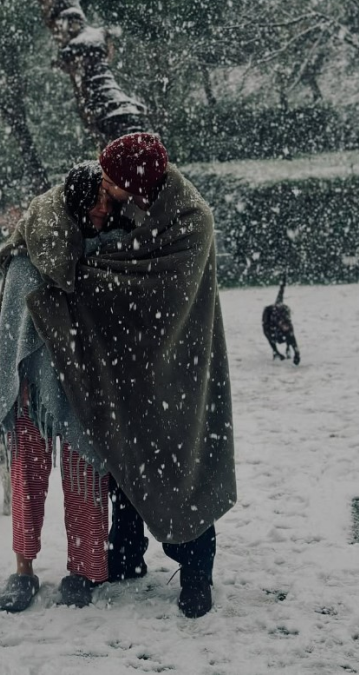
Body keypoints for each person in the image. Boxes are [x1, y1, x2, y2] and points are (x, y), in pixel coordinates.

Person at [16, 132, 236, 618]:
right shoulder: (128, 199)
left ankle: (196, 571)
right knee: (124, 452)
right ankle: (127, 552)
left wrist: (79, 275)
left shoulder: (191, 221)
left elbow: (155, 288)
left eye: (113, 182)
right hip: (127, 361)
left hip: (178, 361)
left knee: (182, 459)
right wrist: (51, 249)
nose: (105, 188)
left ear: (138, 186)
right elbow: (64, 212)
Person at [0, 162, 126, 613]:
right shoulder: (31, 253)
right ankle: (23, 570)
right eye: (102, 202)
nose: (108, 210)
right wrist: (4, 373)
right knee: (27, 477)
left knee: (85, 474)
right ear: (79, 205)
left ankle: (83, 570)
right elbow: (9, 327)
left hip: (81, 388)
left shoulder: (103, 250)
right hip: (30, 385)